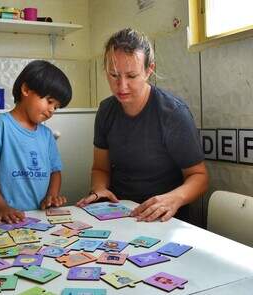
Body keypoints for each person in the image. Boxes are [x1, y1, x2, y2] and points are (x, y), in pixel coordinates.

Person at [77, 28, 208, 222]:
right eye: (113, 75)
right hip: (120, 213)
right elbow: (100, 169)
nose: (121, 86)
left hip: (164, 218)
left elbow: (199, 176)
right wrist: (100, 190)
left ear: (149, 70)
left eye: (131, 76)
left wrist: (173, 199)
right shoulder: (106, 111)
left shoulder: (173, 113)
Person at [0, 60, 72, 224]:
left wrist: (51, 196)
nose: (52, 110)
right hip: (5, 219)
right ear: (26, 90)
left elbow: (55, 171)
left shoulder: (46, 135)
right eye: (50, 101)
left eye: (56, 107)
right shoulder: (0, 125)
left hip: (40, 217)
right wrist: (1, 206)